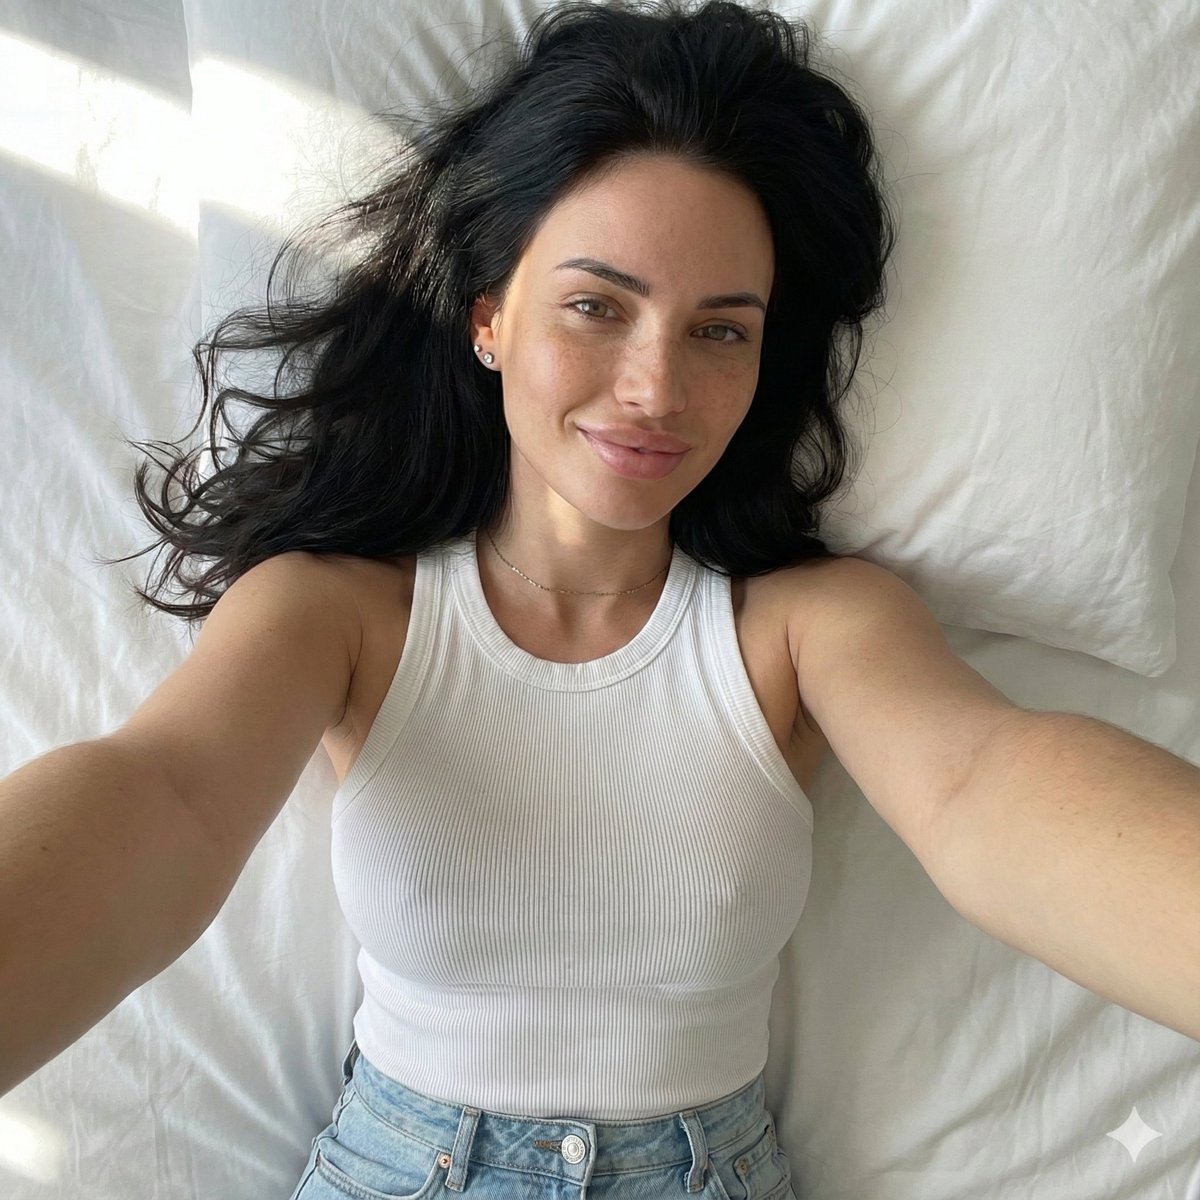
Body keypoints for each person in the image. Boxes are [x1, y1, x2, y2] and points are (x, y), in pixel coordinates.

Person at [2, 1, 1198, 1197]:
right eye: (597, 306)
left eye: (719, 331)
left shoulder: (804, 626)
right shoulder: (338, 615)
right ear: (488, 316)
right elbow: (166, 798)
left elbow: (981, 782)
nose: (655, 388)